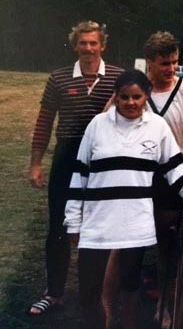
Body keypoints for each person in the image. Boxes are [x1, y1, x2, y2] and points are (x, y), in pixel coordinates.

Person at [64, 69, 183, 329]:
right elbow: (79, 175)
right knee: (88, 297)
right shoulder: (97, 125)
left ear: (146, 96)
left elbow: (177, 174)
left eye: (137, 97)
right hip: (97, 225)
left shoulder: (158, 127)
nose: (131, 103)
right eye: (125, 97)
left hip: (135, 226)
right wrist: (73, 221)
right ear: (116, 97)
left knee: (129, 290)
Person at [28, 21, 123, 315]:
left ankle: (99, 297)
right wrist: (36, 163)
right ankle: (54, 293)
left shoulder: (119, 77)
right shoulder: (58, 79)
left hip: (104, 160)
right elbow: (45, 122)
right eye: (83, 43)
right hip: (67, 157)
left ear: (102, 45)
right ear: (75, 46)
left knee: (102, 227)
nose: (88, 48)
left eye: (93, 43)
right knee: (59, 225)